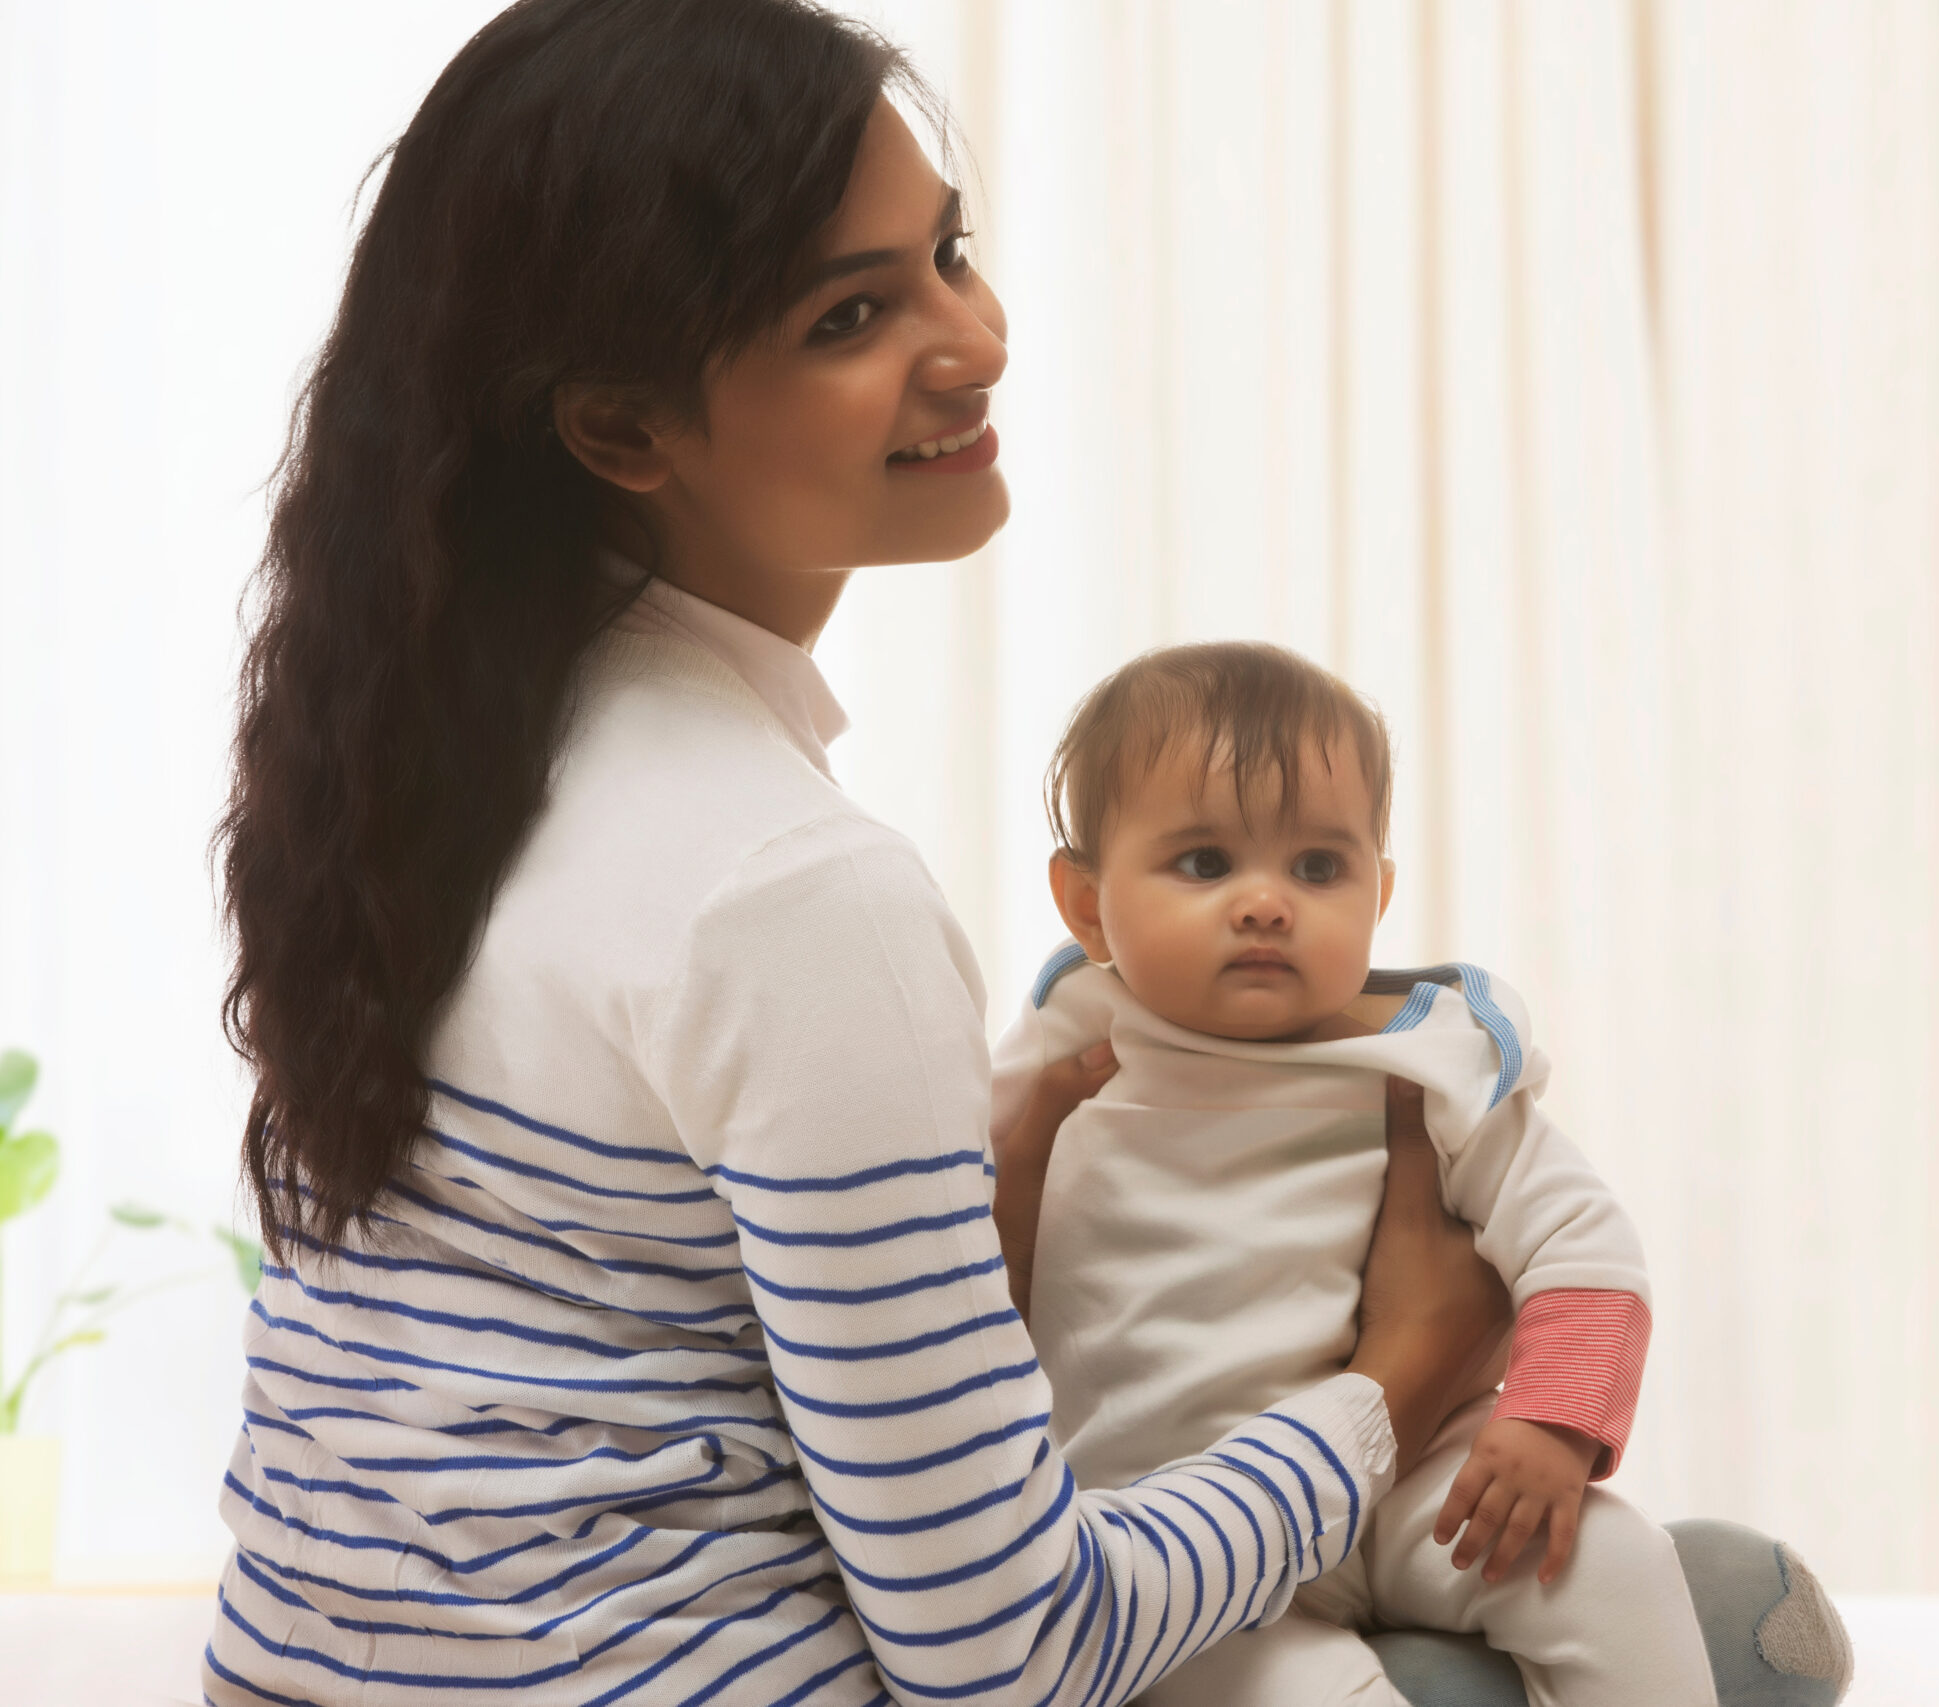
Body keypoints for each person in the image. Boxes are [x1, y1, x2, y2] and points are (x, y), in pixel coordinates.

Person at [206, 3, 1511, 1702]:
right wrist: (1392, 1381)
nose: (974, 338)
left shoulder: (420, 763)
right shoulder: (790, 889)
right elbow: (1008, 1653)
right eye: (854, 312)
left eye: (949, 254)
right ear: (619, 429)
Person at [987, 642, 1716, 1706]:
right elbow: (926, 1226)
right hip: (1180, 1534)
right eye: (1203, 863)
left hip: (1421, 1491)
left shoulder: (1434, 1059)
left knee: (1627, 1572)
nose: (1265, 903)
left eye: (1317, 868)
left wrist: (1553, 1424)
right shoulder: (1064, 1046)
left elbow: (1585, 1245)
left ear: (1377, 893)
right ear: (1087, 904)